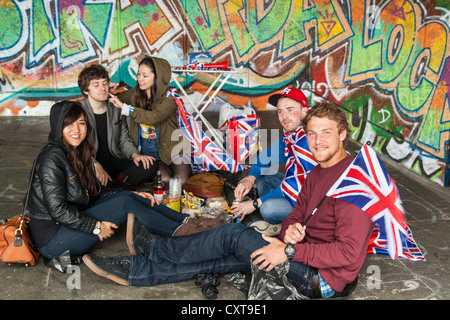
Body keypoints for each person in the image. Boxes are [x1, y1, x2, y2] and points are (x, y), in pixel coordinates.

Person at [82, 102, 374, 299]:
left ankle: (160, 247)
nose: (317, 140)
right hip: (299, 255)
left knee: (234, 235)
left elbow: (349, 255)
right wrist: (292, 232)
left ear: (343, 135)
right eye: (311, 133)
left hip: (320, 281)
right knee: (222, 261)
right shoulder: (317, 172)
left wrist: (289, 252)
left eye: (326, 133)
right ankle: (138, 271)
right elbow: (294, 217)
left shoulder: (353, 185)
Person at [26, 101, 223, 261]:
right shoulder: (51, 158)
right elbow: (57, 210)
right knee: (124, 204)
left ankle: (189, 222)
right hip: (53, 239)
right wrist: (95, 227)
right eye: (68, 124)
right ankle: (186, 231)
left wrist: (133, 194)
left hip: (70, 222)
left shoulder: (76, 152)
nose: (76, 130)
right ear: (57, 127)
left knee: (129, 198)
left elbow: (94, 194)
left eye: (81, 123)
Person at [231, 87, 317, 235]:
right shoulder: (291, 137)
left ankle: (289, 226)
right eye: (280, 111)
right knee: (264, 177)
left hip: (313, 202)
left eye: (290, 110)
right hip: (295, 189)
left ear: (305, 112)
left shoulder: (309, 140)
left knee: (267, 209)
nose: (284, 116)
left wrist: (255, 203)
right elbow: (265, 159)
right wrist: (250, 179)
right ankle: (283, 220)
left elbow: (295, 186)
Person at [109, 56, 191, 188]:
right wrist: (108, 91)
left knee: (182, 181)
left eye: (145, 76)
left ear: (157, 77)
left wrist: (126, 109)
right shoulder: (134, 94)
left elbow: (154, 117)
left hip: (172, 149)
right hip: (147, 151)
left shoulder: (169, 98)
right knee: (165, 179)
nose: (139, 79)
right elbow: (115, 100)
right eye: (138, 74)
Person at [77, 64, 157, 190]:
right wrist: (93, 163)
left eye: (104, 83)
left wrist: (135, 155)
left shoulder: (116, 108)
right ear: (86, 90)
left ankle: (113, 187)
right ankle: (121, 186)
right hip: (89, 162)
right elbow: (74, 146)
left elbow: (124, 139)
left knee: (150, 166)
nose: (103, 88)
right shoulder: (77, 111)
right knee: (84, 176)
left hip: (113, 159)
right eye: (96, 85)